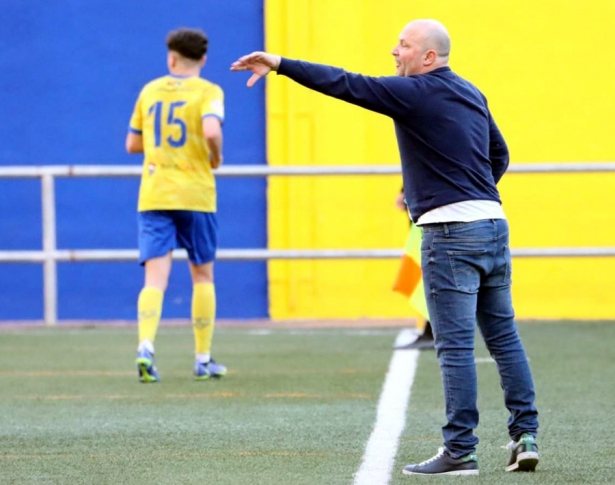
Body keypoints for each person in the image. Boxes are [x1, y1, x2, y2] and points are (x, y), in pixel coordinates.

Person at [230, 19, 539, 476]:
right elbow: (501, 156)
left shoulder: (412, 93)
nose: (394, 51)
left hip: (449, 235)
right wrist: (464, 192)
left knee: (454, 347)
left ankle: (460, 450)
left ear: (429, 57)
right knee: (503, 338)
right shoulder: (471, 92)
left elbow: (345, 84)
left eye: (404, 45)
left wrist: (280, 64)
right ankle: (525, 435)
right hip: (492, 224)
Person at [126, 28, 227, 383]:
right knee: (202, 274)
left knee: (155, 277)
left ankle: (146, 348)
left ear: (171, 58)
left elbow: (132, 144)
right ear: (203, 59)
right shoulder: (208, 91)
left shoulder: (149, 90)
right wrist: (215, 155)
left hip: (155, 194)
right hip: (196, 193)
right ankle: (202, 358)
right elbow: (212, 131)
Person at [393, 186, 435, 350]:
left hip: (432, 206)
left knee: (432, 270)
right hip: (430, 202)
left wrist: (405, 190)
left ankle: (433, 332)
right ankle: (431, 330)